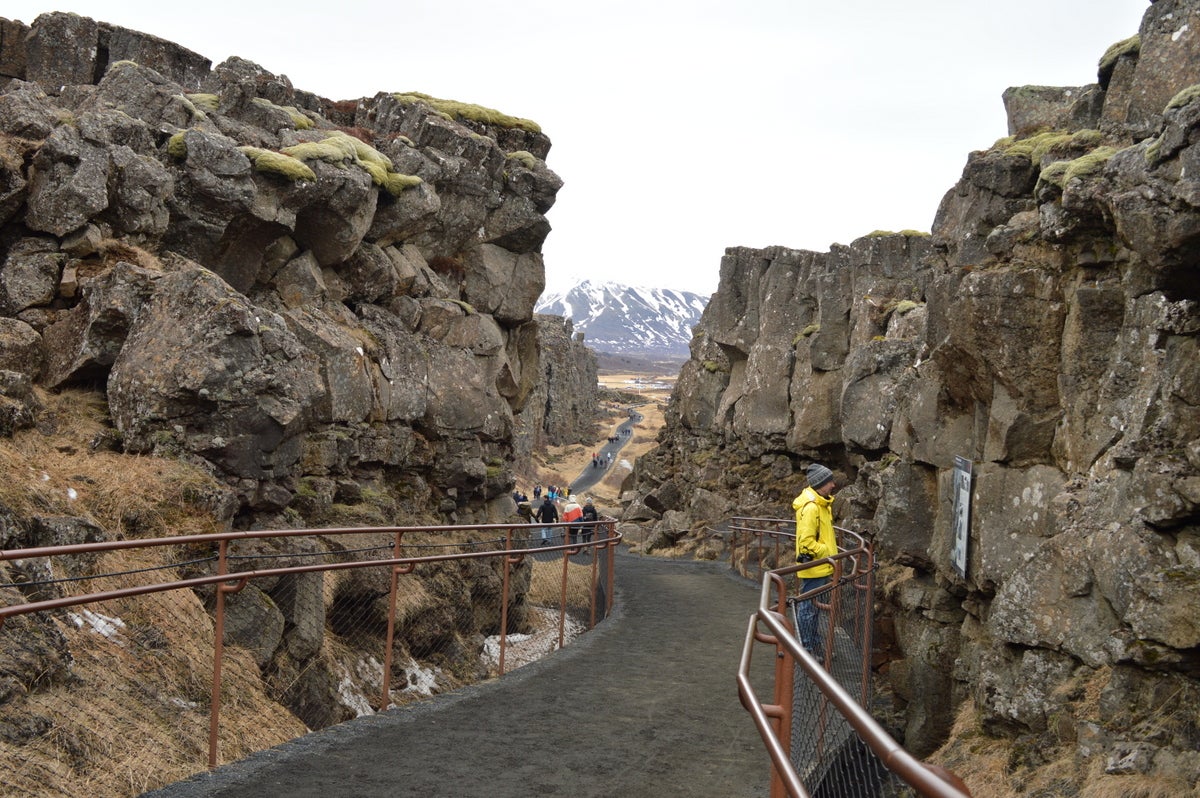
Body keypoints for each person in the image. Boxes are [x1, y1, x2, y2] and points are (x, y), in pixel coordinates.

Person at [793, 463, 838, 659]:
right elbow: (806, 543)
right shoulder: (812, 508)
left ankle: (813, 644)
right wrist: (826, 552)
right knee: (809, 609)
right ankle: (807, 648)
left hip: (821, 566)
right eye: (829, 481)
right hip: (815, 566)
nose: (833, 485)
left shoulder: (822, 504)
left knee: (813, 608)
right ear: (820, 483)